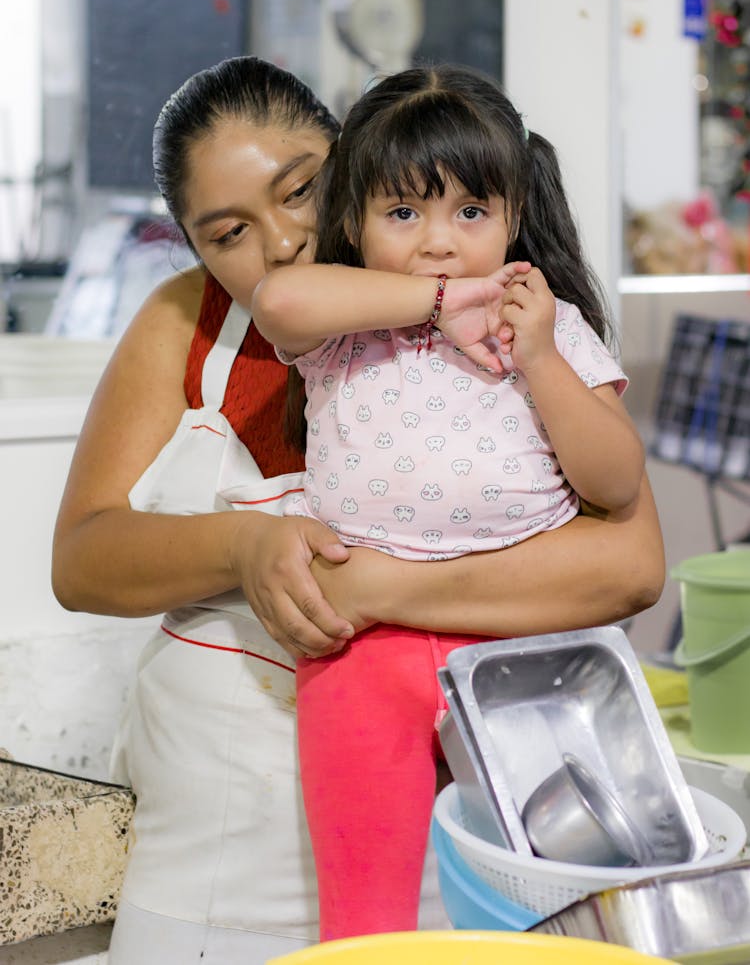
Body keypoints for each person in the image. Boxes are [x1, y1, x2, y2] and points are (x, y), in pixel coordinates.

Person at [51, 56, 664, 965]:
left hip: (447, 841)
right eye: (227, 233)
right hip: (214, 849)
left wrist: (377, 586)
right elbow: (83, 560)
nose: (281, 242)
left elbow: (628, 564)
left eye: (302, 191)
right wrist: (243, 547)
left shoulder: (508, 317)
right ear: (191, 245)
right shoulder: (191, 323)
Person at [251, 63, 648, 939]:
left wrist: (539, 356)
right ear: (352, 221)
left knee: (552, 910)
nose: (440, 239)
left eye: (471, 213)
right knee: (366, 921)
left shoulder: (548, 327)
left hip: (528, 645)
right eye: (404, 213)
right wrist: (443, 301)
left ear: (514, 212)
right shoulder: (346, 329)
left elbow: (616, 483)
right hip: (362, 652)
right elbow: (278, 296)